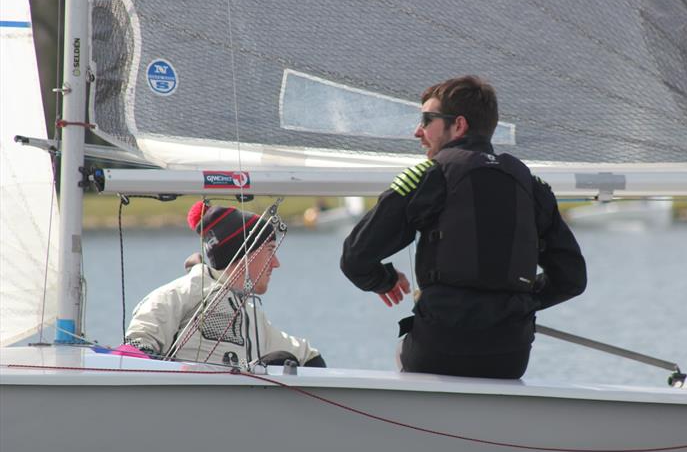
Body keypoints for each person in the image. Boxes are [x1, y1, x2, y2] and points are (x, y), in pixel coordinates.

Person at [340, 76, 586, 379]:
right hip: (509, 358)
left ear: (458, 125)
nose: (418, 131)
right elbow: (572, 279)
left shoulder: (430, 176)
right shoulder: (531, 187)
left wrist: (383, 280)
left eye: (427, 120)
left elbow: (355, 258)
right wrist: (519, 300)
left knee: (401, 352)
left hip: (436, 352)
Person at [125, 201, 326, 368]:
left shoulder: (252, 316)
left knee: (283, 359)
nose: (276, 263)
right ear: (245, 254)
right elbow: (133, 353)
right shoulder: (174, 296)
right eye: (270, 250)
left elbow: (307, 357)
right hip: (184, 409)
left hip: (238, 412)